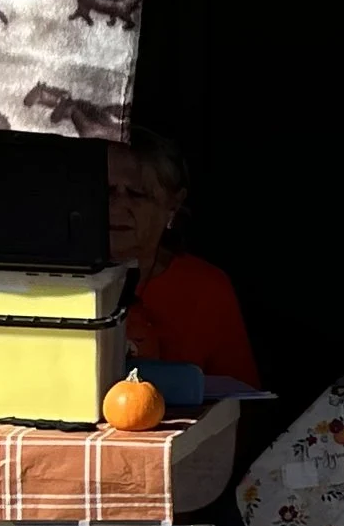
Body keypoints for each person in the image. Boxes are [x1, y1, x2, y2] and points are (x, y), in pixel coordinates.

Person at [111, 131, 260, 384]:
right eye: (106, 190)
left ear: (173, 204)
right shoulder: (55, 279)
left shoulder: (206, 288)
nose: (115, 206)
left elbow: (241, 402)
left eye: (137, 194)